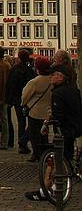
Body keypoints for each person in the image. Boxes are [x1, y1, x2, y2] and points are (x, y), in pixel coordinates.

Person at [24, 63, 82, 202]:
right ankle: (53, 187)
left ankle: (47, 190)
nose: (51, 76)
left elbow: (58, 116)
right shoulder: (74, 89)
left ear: (61, 77)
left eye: (54, 74)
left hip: (64, 131)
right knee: (62, 158)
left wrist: (46, 124)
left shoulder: (58, 93)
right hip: (75, 128)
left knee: (55, 159)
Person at [21, 56, 53, 162]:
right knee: (44, 134)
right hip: (48, 112)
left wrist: (23, 104)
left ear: (37, 68)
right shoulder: (52, 80)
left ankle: (37, 154)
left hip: (35, 112)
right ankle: (45, 153)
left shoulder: (34, 82)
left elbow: (25, 96)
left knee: (34, 134)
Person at [6, 48, 36, 154]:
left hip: (16, 98)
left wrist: (8, 98)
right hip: (28, 99)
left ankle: (21, 143)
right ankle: (24, 142)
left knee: (21, 121)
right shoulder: (30, 71)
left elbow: (9, 84)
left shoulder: (14, 69)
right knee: (31, 121)